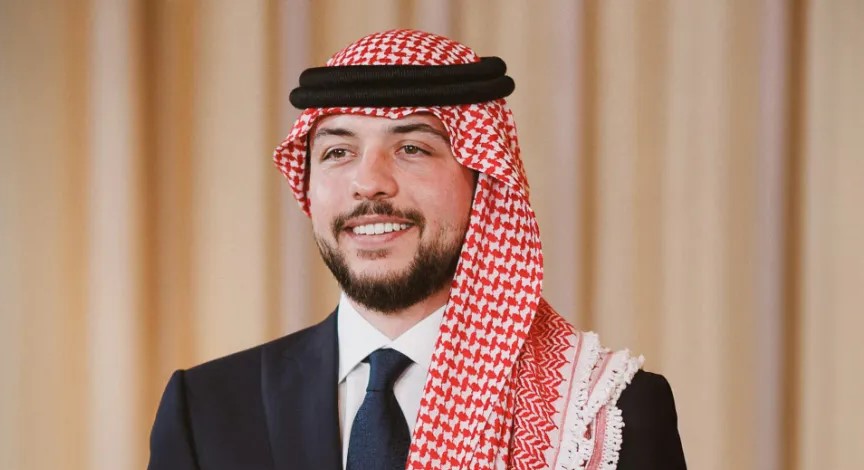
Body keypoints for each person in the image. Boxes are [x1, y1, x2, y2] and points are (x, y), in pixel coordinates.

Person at [148, 29, 686, 470]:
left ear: (483, 181)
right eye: (337, 152)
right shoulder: (207, 409)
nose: (369, 182)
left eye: (411, 148)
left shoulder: (602, 410)